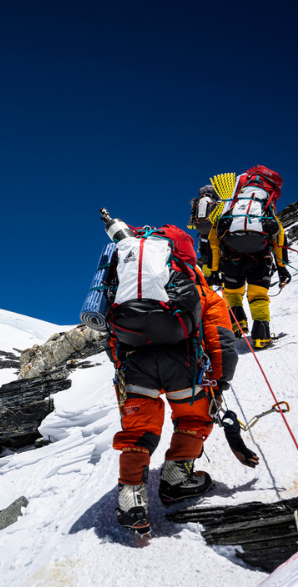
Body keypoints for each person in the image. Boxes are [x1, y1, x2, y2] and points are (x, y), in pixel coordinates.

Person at [102, 223, 238, 535]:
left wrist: (123, 364)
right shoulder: (197, 285)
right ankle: (177, 479)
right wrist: (220, 381)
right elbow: (221, 341)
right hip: (184, 362)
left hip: (136, 361)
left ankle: (131, 499)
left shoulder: (122, 283)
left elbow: (111, 334)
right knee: (192, 418)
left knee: (139, 431)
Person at [207, 165, 290, 348]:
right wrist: (282, 268)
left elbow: (214, 240)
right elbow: (279, 236)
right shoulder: (264, 208)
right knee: (258, 295)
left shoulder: (230, 205)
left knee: (232, 293)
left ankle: (237, 326)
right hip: (260, 259)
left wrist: (213, 270)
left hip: (231, 259)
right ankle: (261, 337)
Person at [188, 184, 220, 277]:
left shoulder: (197, 201)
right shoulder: (216, 200)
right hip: (213, 229)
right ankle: (216, 276)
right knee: (215, 252)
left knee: (205, 255)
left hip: (201, 230)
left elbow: (192, 217)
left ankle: (206, 277)